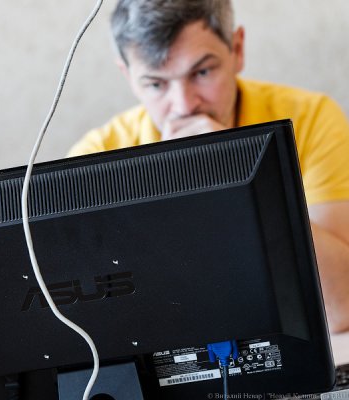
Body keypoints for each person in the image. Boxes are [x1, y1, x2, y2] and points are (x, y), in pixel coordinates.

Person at [68, 0, 349, 333]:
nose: (184, 106)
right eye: (156, 84)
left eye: (202, 73)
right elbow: (95, 327)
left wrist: (243, 174)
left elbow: (341, 306)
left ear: (237, 49)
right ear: (128, 76)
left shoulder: (309, 118)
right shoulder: (95, 158)